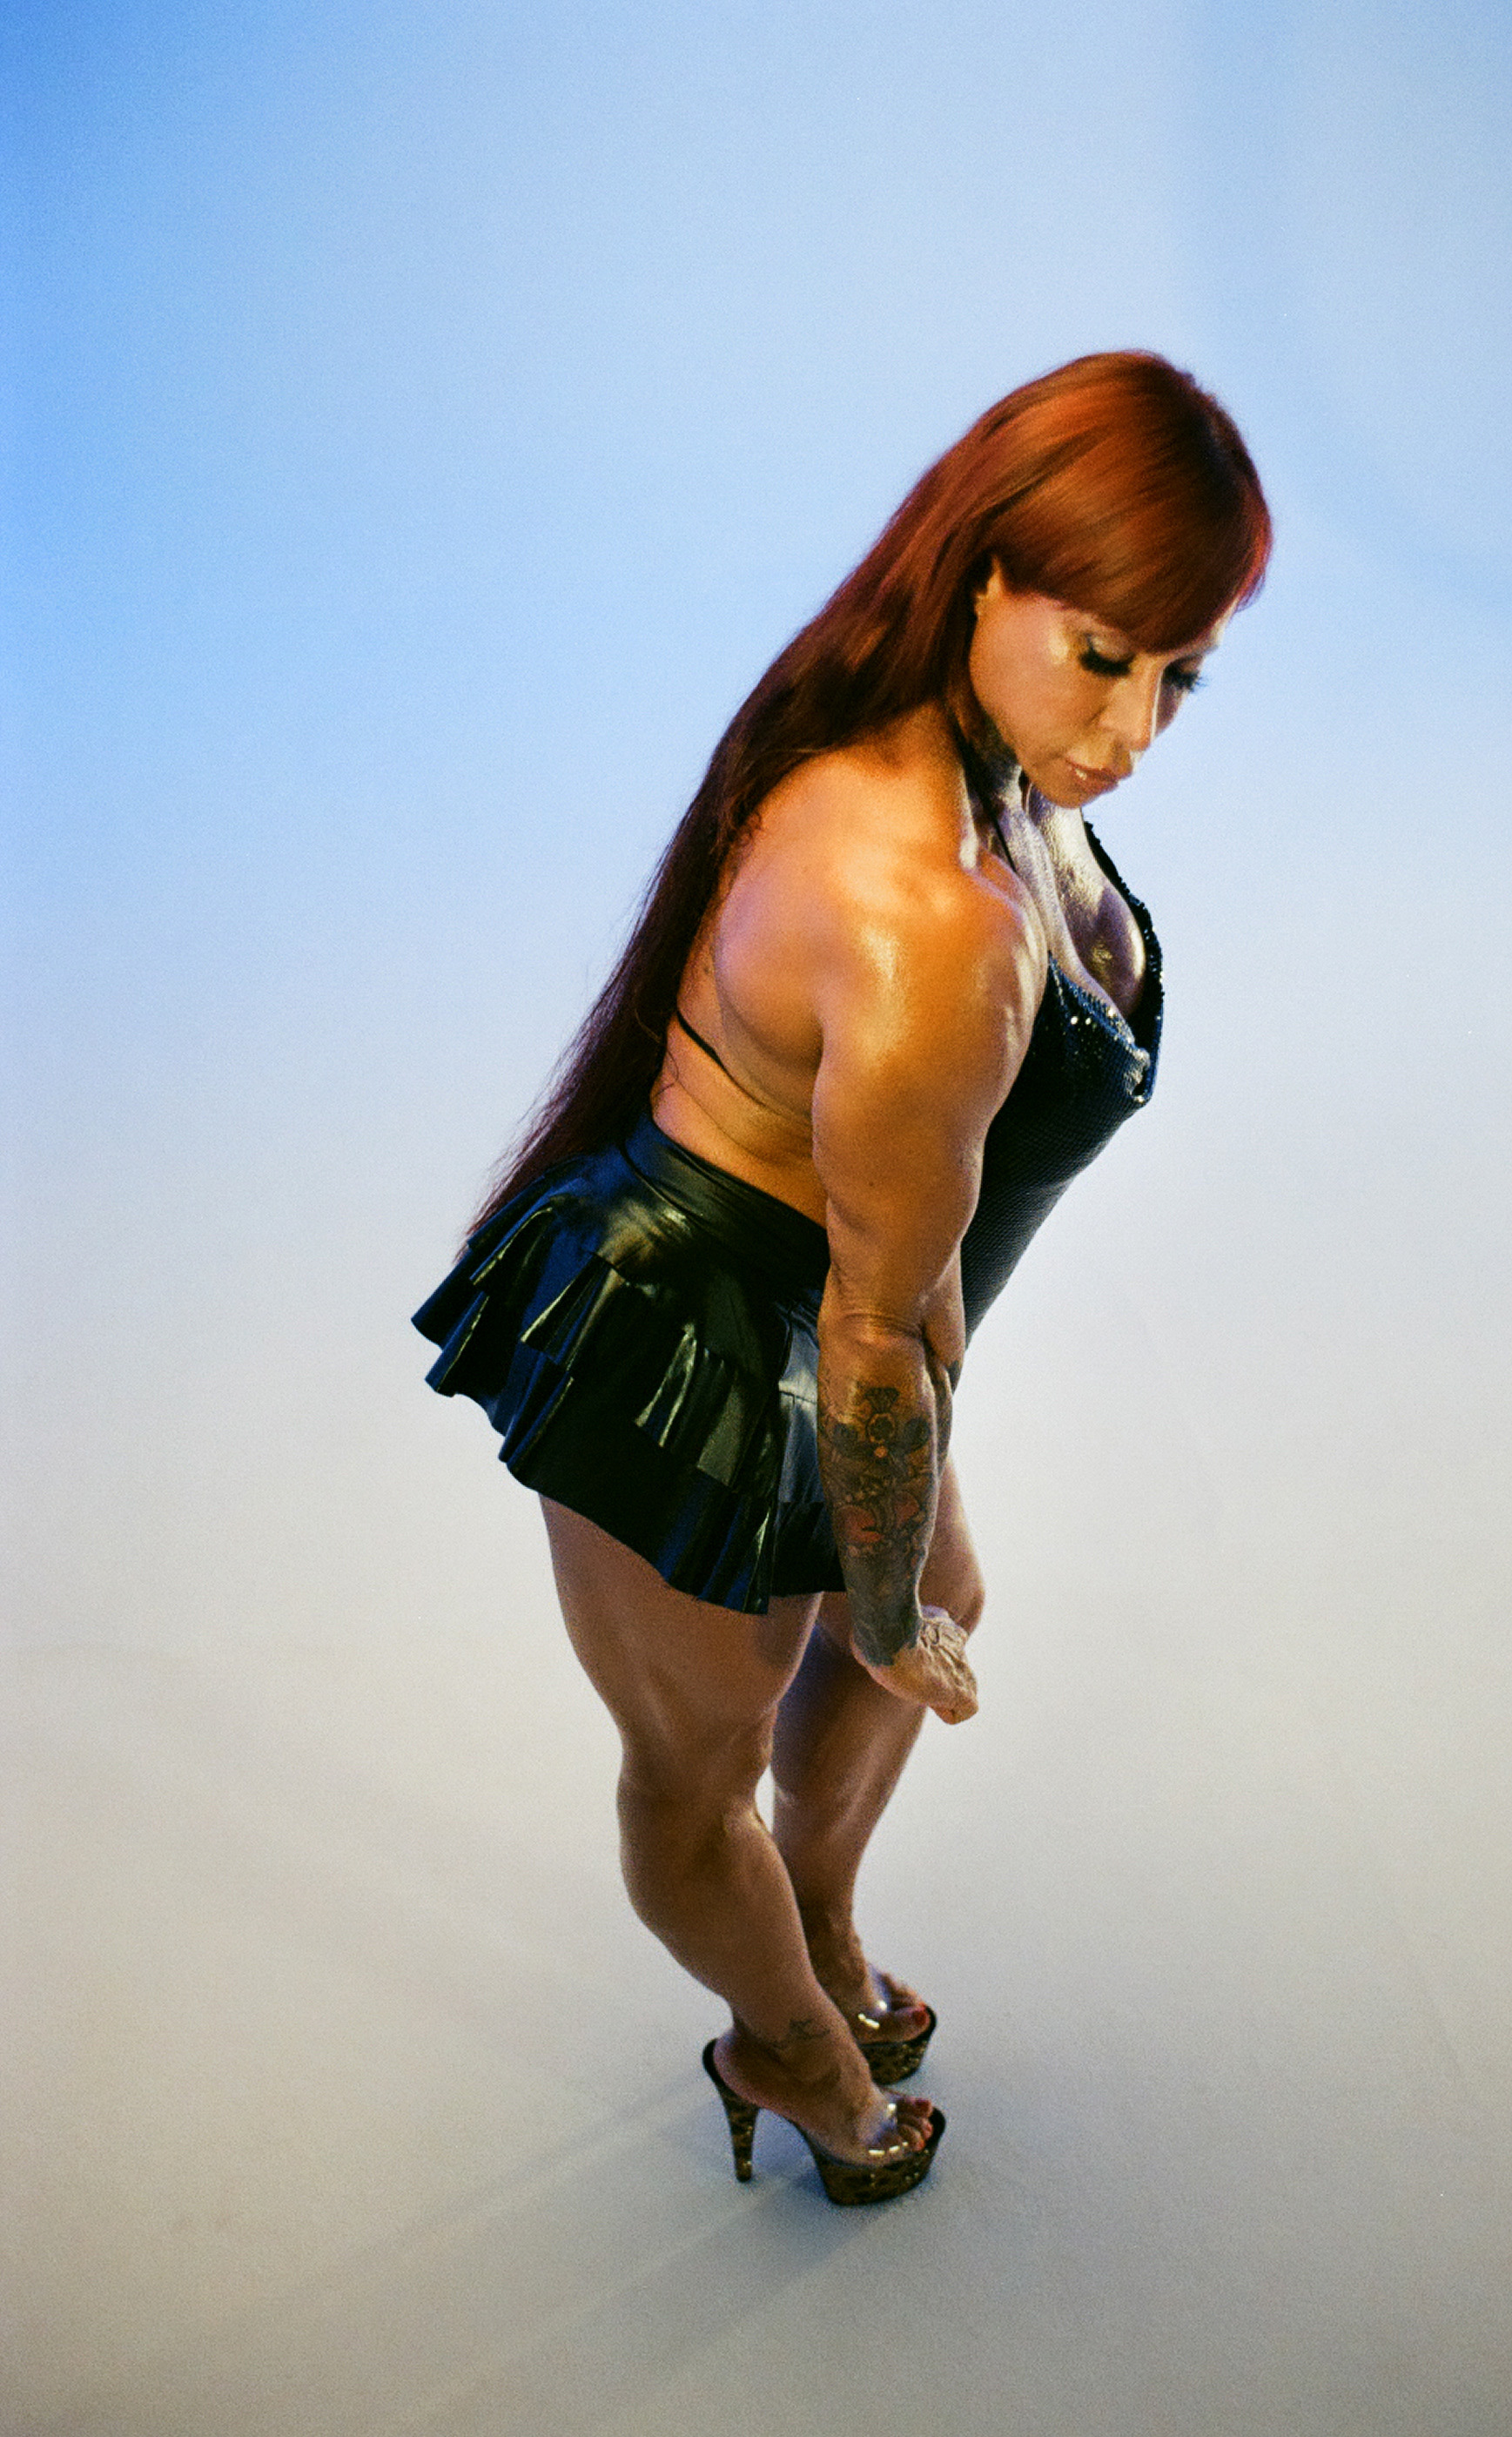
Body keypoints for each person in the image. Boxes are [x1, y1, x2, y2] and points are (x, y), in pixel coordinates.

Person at [414, 352, 1271, 2205]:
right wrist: (873, 1598)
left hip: (859, 1315)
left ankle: (810, 1915)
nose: (1135, 728)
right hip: (682, 1346)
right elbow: (869, 1321)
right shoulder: (927, 918)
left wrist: (897, 1578)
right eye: (1102, 655)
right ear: (985, 578)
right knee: (697, 1771)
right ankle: (785, 2045)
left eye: (1181, 674)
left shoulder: (996, 782)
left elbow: (898, 1288)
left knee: (936, 1599)